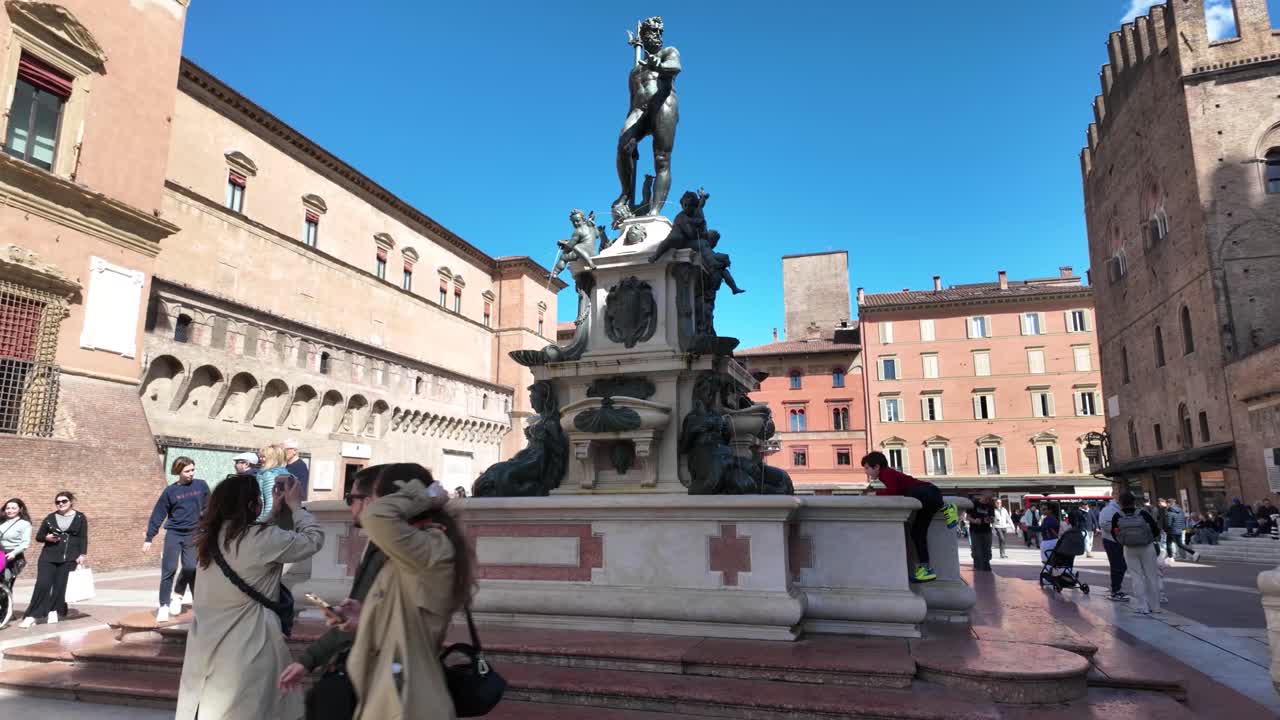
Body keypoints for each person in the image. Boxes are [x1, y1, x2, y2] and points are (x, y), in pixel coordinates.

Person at [329, 463, 472, 720]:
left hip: (408, 702)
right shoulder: (411, 553)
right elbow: (406, 617)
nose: (369, 505)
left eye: (377, 498)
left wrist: (428, 497)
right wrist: (364, 617)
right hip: (390, 693)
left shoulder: (430, 549)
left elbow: (376, 517)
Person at [175, 473, 323, 720]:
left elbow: (247, 540)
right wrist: (296, 507)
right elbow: (313, 540)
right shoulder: (261, 539)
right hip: (250, 649)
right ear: (254, 504)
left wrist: (273, 513)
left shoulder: (208, 540)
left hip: (206, 648)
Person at [276, 466, 389, 712]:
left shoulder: (393, 551)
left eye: (351, 498)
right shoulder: (382, 546)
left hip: (383, 674)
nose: (349, 506)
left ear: (370, 501)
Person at [614, 15, 681, 217]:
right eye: (653, 32)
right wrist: (631, 131)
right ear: (643, 35)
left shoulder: (669, 52)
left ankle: (654, 211)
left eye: (660, 32)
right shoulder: (634, 71)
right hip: (638, 111)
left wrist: (659, 66)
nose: (657, 35)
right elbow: (632, 99)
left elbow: (675, 68)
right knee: (623, 146)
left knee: (661, 159)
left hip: (663, 103)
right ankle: (625, 194)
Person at [862, 452, 953, 583]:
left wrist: (875, 493)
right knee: (917, 533)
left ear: (876, 466)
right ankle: (925, 569)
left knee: (909, 491)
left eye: (867, 468)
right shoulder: (886, 474)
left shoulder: (886, 473)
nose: (866, 472)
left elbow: (895, 492)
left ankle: (945, 507)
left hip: (929, 493)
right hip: (930, 496)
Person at [145, 457, 210, 622]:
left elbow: (209, 507)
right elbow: (158, 514)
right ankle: (164, 606)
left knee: (191, 568)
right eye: (187, 471)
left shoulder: (201, 485)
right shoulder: (170, 492)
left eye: (192, 470)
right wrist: (149, 537)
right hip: (174, 533)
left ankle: (184, 597)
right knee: (169, 570)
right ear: (178, 472)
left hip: (193, 533)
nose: (191, 474)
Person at [20, 491, 88, 627]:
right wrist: (47, 538)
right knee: (42, 585)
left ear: (71, 502)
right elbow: (39, 536)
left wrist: (82, 554)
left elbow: (82, 537)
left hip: (69, 557)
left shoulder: (80, 517)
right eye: (58, 502)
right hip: (48, 556)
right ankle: (33, 615)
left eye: (64, 501)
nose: (61, 504)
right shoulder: (50, 517)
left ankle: (54, 610)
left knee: (60, 587)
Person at [1111, 492, 1162, 614]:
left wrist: (1124, 541)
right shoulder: (1143, 513)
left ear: (1120, 503)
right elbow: (1155, 529)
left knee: (1136, 576)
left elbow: (1114, 534)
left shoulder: (1117, 516)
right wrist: (1149, 538)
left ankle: (1142, 606)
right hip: (1147, 547)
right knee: (1151, 576)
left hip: (1129, 548)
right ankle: (1155, 606)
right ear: (1134, 502)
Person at [1098, 494, 1129, 603]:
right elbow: (1104, 524)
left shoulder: (1120, 509)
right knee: (1118, 565)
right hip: (1111, 541)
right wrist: (1121, 529)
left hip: (1119, 541)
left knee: (1122, 565)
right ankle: (1116, 590)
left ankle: (1117, 588)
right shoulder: (1109, 510)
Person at [255, 445, 291, 523]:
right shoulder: (285, 474)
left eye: (263, 457)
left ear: (272, 458)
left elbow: (270, 502)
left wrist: (261, 523)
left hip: (267, 521)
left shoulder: (269, 474)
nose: (260, 459)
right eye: (260, 457)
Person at [1, 498, 32, 588]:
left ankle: (6, 601)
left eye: (13, 508)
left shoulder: (24, 524)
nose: (10, 510)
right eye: (8, 508)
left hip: (12, 556)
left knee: (6, 584)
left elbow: (25, 543)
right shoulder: (2, 521)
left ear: (20, 509)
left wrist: (14, 553)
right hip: (0, 553)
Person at [966, 491, 995, 571]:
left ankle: (986, 564)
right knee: (977, 549)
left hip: (987, 530)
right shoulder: (973, 504)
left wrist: (989, 520)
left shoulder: (990, 506)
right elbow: (967, 517)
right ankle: (977, 565)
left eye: (989, 499)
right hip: (975, 530)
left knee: (987, 548)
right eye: (986, 498)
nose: (987, 500)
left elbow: (992, 518)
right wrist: (975, 520)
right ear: (982, 496)